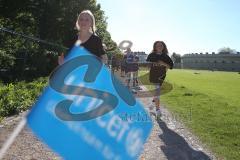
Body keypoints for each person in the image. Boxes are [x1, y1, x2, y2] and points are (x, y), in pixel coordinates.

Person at [146, 41, 173, 119]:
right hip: (154, 75)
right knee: (157, 92)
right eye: (157, 45)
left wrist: (163, 64)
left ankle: (152, 103)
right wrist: (152, 64)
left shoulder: (166, 56)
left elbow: (170, 66)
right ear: (155, 47)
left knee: (157, 92)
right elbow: (147, 65)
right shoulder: (151, 55)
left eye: (161, 45)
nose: (159, 47)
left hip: (162, 76)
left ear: (163, 47)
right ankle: (158, 110)